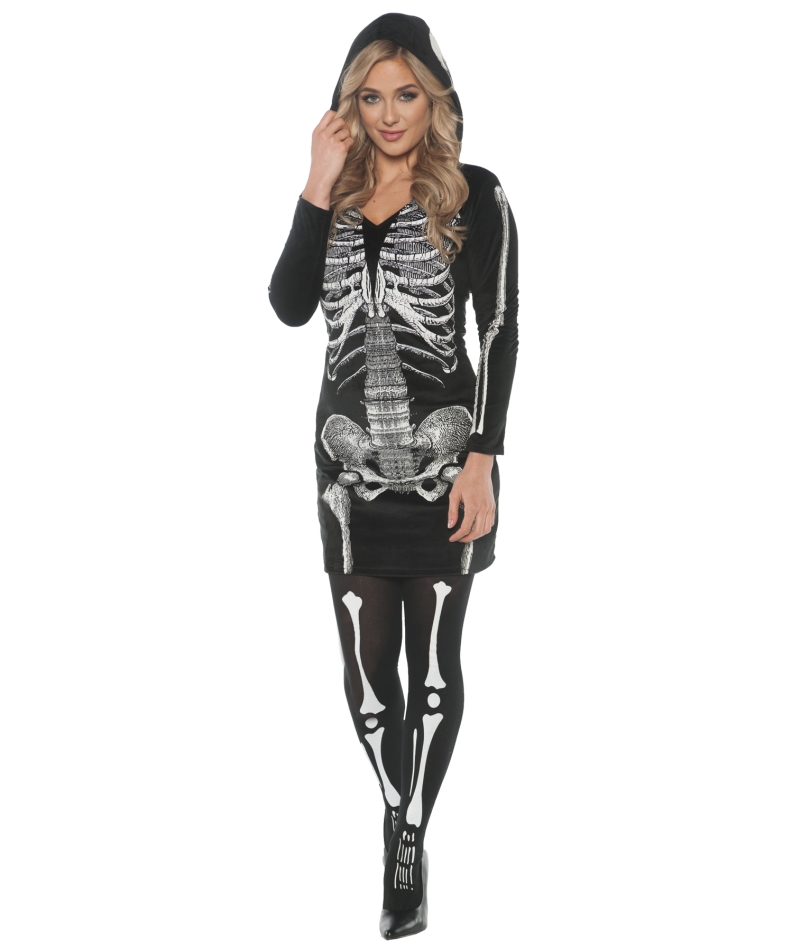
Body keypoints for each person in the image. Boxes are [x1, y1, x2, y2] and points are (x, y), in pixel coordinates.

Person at [269, 13, 519, 940]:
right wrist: (314, 180)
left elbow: (500, 330)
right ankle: (399, 808)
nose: (387, 113)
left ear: (435, 99)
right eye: (370, 97)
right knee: (370, 673)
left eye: (405, 95)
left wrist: (484, 458)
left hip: (449, 466)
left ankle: (406, 840)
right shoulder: (334, 196)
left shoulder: (475, 194)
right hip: (348, 474)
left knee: (437, 666)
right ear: (349, 104)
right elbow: (289, 306)